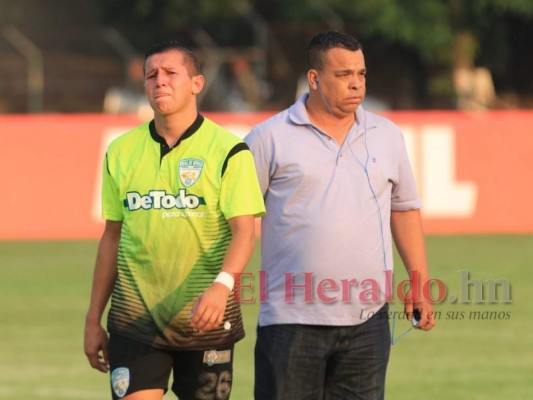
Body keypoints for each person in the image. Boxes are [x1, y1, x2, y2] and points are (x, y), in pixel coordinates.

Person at [245, 31, 436, 400]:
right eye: (343, 74)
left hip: (368, 322)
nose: (356, 83)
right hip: (290, 322)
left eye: (361, 74)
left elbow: (405, 208)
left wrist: (419, 282)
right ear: (314, 79)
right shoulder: (268, 138)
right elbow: (238, 222)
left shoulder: (387, 135)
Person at [84, 40, 265, 400]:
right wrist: (93, 318)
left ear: (197, 83)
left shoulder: (230, 151)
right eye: (151, 75)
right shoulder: (120, 152)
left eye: (170, 73)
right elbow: (112, 238)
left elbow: (246, 231)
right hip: (134, 320)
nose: (160, 81)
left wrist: (221, 286)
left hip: (207, 319)